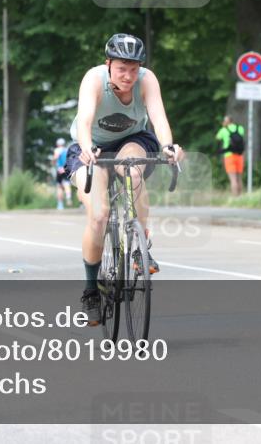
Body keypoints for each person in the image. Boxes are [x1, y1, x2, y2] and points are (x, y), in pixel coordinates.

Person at [63, 33, 183, 325]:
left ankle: (140, 247)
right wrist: (88, 148)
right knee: (99, 216)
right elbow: (85, 120)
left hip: (133, 140)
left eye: (133, 68)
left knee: (131, 169)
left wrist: (169, 146)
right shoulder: (93, 80)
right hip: (90, 147)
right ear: (108, 64)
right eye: (121, 69)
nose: (128, 76)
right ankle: (91, 290)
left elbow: (159, 118)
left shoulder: (147, 79)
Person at [216, 115, 245, 196]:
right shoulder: (240, 128)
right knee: (239, 178)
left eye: (224, 121)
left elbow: (217, 138)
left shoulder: (223, 130)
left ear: (227, 121)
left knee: (233, 179)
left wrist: (223, 127)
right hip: (239, 155)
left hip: (229, 156)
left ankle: (235, 197)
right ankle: (240, 197)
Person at [52, 138, 72, 210]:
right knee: (67, 184)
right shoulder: (67, 150)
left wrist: (53, 162)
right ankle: (68, 197)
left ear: (57, 144)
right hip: (66, 170)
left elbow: (55, 158)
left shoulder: (57, 150)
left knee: (59, 187)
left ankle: (60, 204)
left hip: (59, 170)